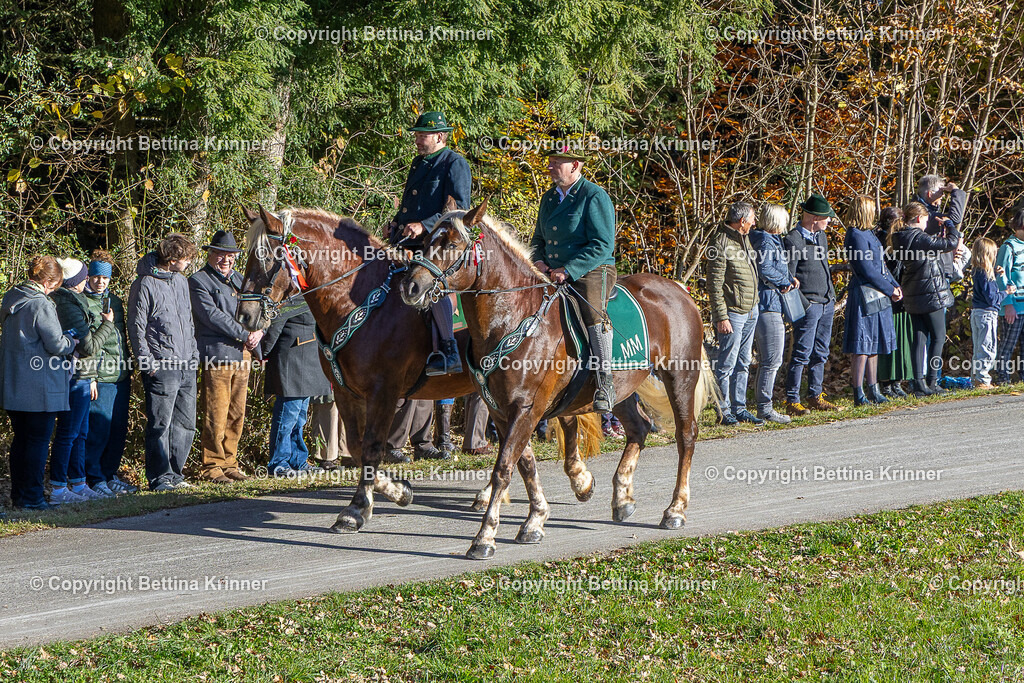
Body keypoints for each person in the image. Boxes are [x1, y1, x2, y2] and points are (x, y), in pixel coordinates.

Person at [530, 145, 617, 411]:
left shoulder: (594, 196)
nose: (550, 167)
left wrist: (569, 270)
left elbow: (603, 244)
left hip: (591, 269)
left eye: (556, 162)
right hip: (551, 271)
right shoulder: (549, 198)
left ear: (575, 165)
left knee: (592, 310)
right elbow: (538, 239)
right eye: (550, 161)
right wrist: (538, 260)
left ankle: (605, 383)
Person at [387, 110, 471, 375]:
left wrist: (424, 225)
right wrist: (397, 222)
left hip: (437, 246)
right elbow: (412, 203)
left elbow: (460, 210)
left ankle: (449, 349)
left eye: (423, 135)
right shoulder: (418, 162)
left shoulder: (454, 163)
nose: (418, 140)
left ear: (440, 136)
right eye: (417, 135)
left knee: (433, 289)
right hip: (406, 241)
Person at [0, 255, 77, 510]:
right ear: (48, 281)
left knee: (21, 441)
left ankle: (20, 495)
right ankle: (33, 497)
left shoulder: (11, 298)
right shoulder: (41, 305)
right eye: (55, 285)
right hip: (39, 386)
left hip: (14, 384)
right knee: (37, 442)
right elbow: (55, 344)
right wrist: (71, 342)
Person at [127, 233, 199, 491]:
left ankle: (175, 474)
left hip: (186, 365)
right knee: (160, 424)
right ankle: (160, 477)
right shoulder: (145, 283)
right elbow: (136, 326)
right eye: (186, 258)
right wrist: (148, 363)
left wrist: (194, 356)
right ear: (172, 259)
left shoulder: (181, 282)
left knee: (186, 423)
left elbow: (188, 321)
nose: (189, 262)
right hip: (162, 365)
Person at [189, 230, 259, 484]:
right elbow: (212, 317)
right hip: (217, 355)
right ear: (210, 254)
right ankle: (212, 465)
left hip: (243, 355)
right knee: (215, 413)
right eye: (220, 254)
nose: (226, 259)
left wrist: (259, 332)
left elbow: (254, 308)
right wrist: (245, 334)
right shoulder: (198, 281)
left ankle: (230, 462)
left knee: (237, 413)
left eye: (230, 255)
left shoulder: (240, 279)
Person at [50, 257, 117, 502]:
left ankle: (78, 484)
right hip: (74, 375)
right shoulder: (67, 304)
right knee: (68, 433)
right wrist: (107, 325)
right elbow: (88, 345)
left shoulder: (73, 300)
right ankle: (58, 487)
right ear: (78, 280)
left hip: (84, 375)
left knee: (80, 433)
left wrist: (92, 378)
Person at [891, 202, 961, 397]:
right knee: (938, 337)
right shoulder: (919, 237)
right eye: (926, 219)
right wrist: (950, 226)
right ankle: (932, 380)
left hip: (913, 293)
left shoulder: (900, 237)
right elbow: (950, 244)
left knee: (918, 339)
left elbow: (928, 249)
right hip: (930, 293)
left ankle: (919, 383)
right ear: (919, 219)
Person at [82, 250, 137, 495]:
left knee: (117, 429)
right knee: (97, 430)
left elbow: (121, 337)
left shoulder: (115, 300)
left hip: (120, 375)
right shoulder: (81, 301)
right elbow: (86, 344)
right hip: (100, 378)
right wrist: (91, 376)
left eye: (104, 278)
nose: (100, 282)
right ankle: (93, 478)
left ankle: (109, 474)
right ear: (88, 276)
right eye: (95, 277)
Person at [783, 193, 843, 415]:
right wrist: (805, 306)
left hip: (827, 302)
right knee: (801, 353)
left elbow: (824, 269)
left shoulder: (821, 237)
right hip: (809, 305)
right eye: (826, 217)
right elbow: (788, 278)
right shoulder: (793, 240)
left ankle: (815, 395)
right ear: (814, 218)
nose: (829, 221)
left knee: (821, 352)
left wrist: (831, 297)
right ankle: (792, 400)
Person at [841, 197, 902, 406]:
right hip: (864, 295)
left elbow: (882, 266)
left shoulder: (869, 234)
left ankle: (874, 389)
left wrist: (895, 285)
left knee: (874, 344)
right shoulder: (855, 235)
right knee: (862, 345)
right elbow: (867, 269)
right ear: (864, 211)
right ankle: (859, 393)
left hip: (878, 293)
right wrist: (889, 289)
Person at [261, 300, 332, 476]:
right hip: (291, 362)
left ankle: (297, 460)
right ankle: (279, 463)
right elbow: (276, 326)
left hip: (307, 364)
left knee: (299, 418)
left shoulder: (311, 294)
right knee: (287, 417)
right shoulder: (291, 298)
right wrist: (263, 351)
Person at [707, 201, 762, 425]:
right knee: (727, 363)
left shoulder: (744, 238)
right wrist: (721, 316)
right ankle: (724, 409)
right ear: (742, 221)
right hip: (733, 314)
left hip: (751, 310)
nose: (754, 223)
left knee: (744, 362)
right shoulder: (721, 243)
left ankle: (740, 407)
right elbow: (714, 284)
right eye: (752, 219)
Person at [748, 203, 798, 424]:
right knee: (772, 359)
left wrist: (788, 277)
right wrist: (785, 280)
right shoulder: (766, 241)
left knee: (770, 359)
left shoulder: (765, 239)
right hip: (768, 305)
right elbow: (765, 268)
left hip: (769, 303)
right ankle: (765, 407)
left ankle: (762, 405)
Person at [876, 208, 913, 398]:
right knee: (886, 340)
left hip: (901, 294)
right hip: (887, 295)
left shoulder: (900, 239)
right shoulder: (879, 240)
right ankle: (885, 382)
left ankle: (896, 381)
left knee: (900, 341)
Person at [971, 238, 1016, 388]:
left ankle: (977, 377)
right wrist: (1006, 292)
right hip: (987, 314)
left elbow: (986, 290)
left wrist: (996, 276)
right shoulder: (985, 272)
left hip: (977, 312)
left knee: (978, 347)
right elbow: (992, 298)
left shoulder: (977, 271)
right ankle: (983, 379)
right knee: (987, 347)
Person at [916, 174, 970, 283]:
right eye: (941, 193)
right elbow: (954, 218)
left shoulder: (927, 211)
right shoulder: (922, 215)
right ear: (930, 194)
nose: (943, 196)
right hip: (933, 273)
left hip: (938, 270)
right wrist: (955, 191)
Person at [994, 207, 1024, 385]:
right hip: (1014, 306)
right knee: (1008, 344)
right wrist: (1008, 304)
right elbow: (1001, 276)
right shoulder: (1008, 247)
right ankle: (1002, 377)